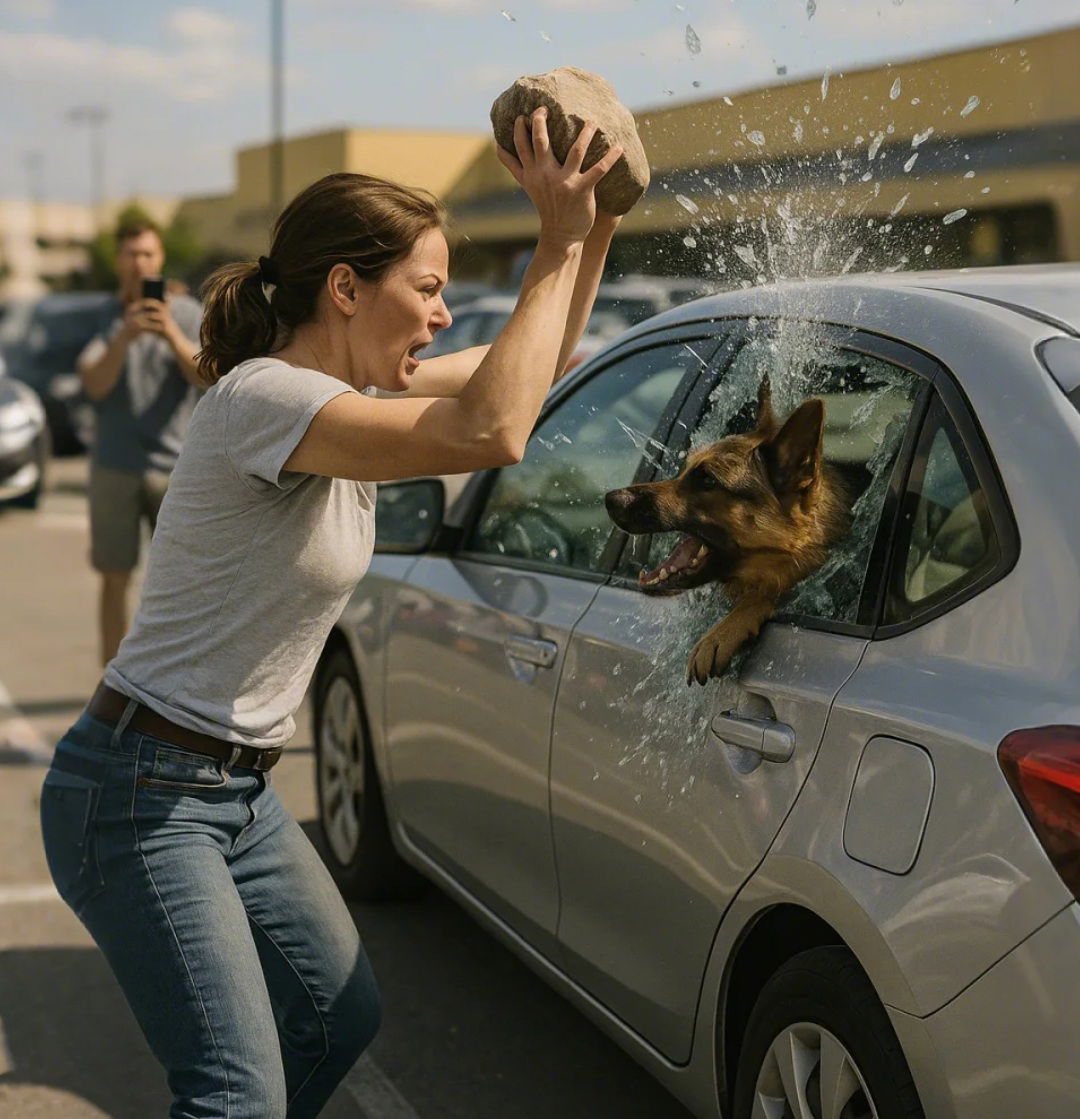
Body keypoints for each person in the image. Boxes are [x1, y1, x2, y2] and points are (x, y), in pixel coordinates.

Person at [40, 108, 627, 1118]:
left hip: (238, 793)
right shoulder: (265, 400)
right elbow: (490, 432)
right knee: (234, 1095)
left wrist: (598, 221)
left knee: (333, 1019)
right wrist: (555, 239)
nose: (445, 317)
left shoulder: (352, 401)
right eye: (430, 290)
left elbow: (531, 380)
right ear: (346, 289)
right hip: (140, 797)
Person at [77, 215, 204, 666]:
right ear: (118, 261)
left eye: (148, 253)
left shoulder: (187, 313)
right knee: (114, 578)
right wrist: (125, 335)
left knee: (181, 582)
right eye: (131, 255)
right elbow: (93, 383)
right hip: (114, 465)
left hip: (175, 468)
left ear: (161, 257)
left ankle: (174, 682)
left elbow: (206, 375)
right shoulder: (105, 315)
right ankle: (111, 683)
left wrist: (168, 329)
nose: (139, 263)